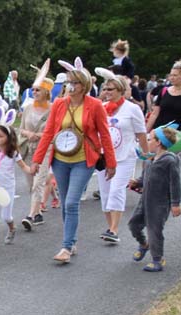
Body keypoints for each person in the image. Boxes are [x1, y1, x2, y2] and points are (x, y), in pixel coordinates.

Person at [31, 61, 116, 264]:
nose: (71, 86)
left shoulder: (95, 105)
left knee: (71, 202)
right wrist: (37, 160)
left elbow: (105, 135)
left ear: (84, 85)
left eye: (75, 83)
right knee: (64, 202)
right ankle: (71, 240)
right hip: (60, 159)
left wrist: (111, 162)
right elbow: (49, 133)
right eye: (69, 82)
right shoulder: (60, 104)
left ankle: (67, 246)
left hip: (83, 160)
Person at [96, 73, 148, 243]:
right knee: (105, 193)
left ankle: (114, 229)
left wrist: (147, 155)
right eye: (105, 89)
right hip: (104, 157)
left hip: (125, 156)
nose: (106, 92)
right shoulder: (102, 107)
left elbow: (141, 133)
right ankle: (110, 228)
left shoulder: (132, 109)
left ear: (120, 90)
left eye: (110, 89)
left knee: (116, 190)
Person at [128, 126, 181, 272]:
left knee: (154, 231)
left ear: (159, 142)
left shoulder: (170, 160)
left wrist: (175, 203)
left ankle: (157, 259)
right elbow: (145, 176)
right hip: (144, 201)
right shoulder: (149, 159)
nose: (147, 141)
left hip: (159, 203)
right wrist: (137, 182)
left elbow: (175, 183)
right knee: (133, 224)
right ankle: (144, 244)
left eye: (150, 139)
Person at [0, 121, 31, 250]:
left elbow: (23, 166)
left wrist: (32, 171)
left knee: (6, 216)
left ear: (8, 138)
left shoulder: (13, 153)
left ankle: (12, 228)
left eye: (0, 136)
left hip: (8, 188)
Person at [18, 78, 55, 230]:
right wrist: (28, 133)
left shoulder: (53, 109)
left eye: (38, 90)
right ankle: (38, 212)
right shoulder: (28, 108)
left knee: (38, 182)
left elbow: (55, 131)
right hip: (28, 148)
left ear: (46, 91)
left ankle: (31, 215)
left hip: (45, 148)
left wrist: (39, 135)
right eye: (33, 89)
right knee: (30, 182)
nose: (34, 92)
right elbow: (20, 128)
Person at [147, 61, 181, 131]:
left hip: (177, 135)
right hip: (158, 133)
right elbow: (154, 114)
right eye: (171, 75)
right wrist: (146, 131)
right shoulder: (164, 91)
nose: (171, 78)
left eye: (175, 75)